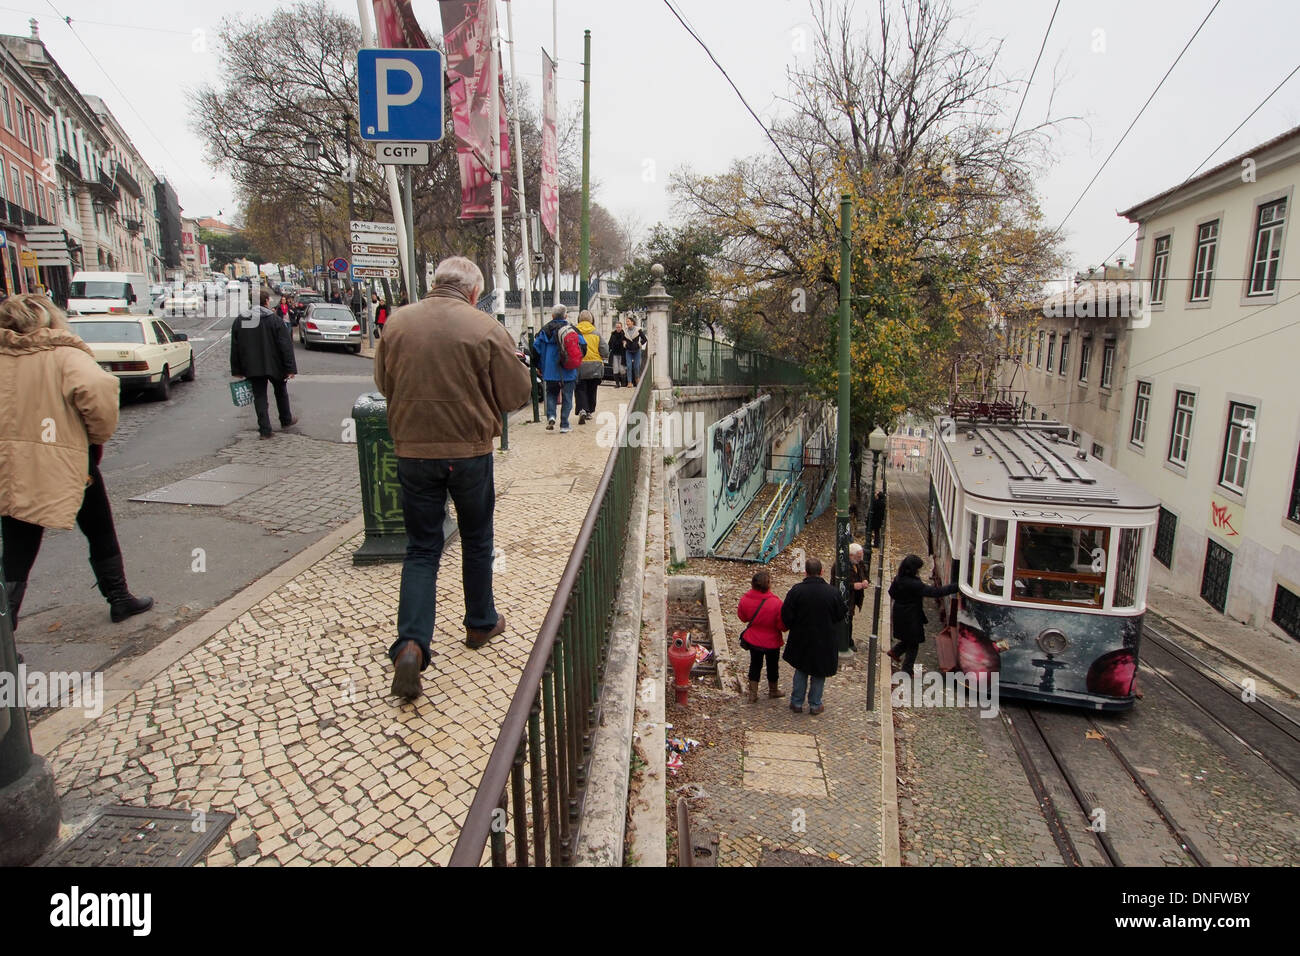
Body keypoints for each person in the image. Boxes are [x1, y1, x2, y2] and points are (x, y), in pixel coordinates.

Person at [373, 256, 531, 701]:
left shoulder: (398, 323)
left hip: (414, 452)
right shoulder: (484, 328)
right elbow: (517, 395)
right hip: (468, 453)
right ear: (474, 291)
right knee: (477, 538)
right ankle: (480, 623)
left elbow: (385, 384)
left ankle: (411, 643)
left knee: (422, 549)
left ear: (435, 283)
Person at [0, 294, 152, 631]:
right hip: (67, 460)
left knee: (17, 550)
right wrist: (94, 437)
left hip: (12, 465)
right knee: (99, 528)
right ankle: (119, 597)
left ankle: (4, 635)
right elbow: (99, 391)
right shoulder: (63, 354)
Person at [780, 557, 846, 715]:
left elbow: (786, 614)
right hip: (824, 639)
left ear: (806, 572)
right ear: (822, 571)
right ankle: (815, 704)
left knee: (801, 670)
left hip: (801, 637)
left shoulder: (796, 590)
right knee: (819, 672)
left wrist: (793, 625)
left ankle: (796, 702)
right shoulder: (833, 593)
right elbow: (840, 615)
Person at [231, 287, 298, 440]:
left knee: (259, 396)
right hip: (275, 364)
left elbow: (235, 347)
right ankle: (286, 419)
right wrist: (290, 368)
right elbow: (285, 346)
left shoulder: (240, 320)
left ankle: (265, 430)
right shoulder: (274, 320)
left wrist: (237, 369)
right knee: (281, 391)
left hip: (252, 366)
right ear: (267, 302)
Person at [887, 554, 959, 675]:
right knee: (914, 643)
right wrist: (955, 587)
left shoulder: (898, 578)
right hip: (911, 616)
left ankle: (895, 652)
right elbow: (935, 592)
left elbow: (891, 592)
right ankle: (906, 669)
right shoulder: (915, 584)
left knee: (909, 639)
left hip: (899, 612)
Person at [737, 569, 785, 702]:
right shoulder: (776, 603)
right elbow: (782, 625)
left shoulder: (745, 599)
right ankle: (773, 690)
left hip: (754, 640)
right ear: (768, 585)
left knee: (755, 665)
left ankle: (753, 693)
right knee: (773, 666)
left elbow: (742, 617)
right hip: (772, 641)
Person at [534, 304, 579, 433]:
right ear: (566, 315)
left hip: (550, 370)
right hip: (568, 369)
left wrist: (540, 366)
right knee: (567, 397)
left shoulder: (544, 331)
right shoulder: (572, 329)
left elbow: (536, 349)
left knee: (551, 394)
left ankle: (551, 416)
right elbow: (582, 346)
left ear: (552, 316)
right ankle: (564, 424)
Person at [574, 309, 607, 425]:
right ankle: (589, 411)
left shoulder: (575, 332)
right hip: (595, 365)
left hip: (579, 365)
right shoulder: (596, 333)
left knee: (580, 389)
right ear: (591, 320)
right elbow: (605, 350)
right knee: (592, 389)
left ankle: (582, 409)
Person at [622, 315, 646, 387]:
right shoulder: (625, 331)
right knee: (629, 366)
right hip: (628, 350)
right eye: (626, 322)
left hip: (637, 350)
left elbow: (644, 339)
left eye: (628, 321)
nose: (627, 323)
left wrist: (640, 343)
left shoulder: (638, 330)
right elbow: (623, 339)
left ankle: (637, 379)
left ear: (632, 322)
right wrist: (624, 343)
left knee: (636, 366)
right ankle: (629, 382)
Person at [608, 322, 627, 387]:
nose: (618, 328)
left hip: (622, 354)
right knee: (615, 368)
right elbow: (609, 343)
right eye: (617, 327)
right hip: (614, 353)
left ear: (621, 327)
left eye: (619, 327)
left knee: (622, 369)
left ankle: (623, 384)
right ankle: (617, 384)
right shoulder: (613, 334)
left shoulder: (624, 335)